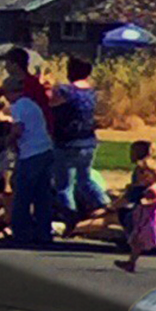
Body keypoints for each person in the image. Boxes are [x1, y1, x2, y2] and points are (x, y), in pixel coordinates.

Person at [51, 57, 108, 232]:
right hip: (88, 141)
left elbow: (50, 103)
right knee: (85, 180)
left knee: (64, 185)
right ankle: (105, 204)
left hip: (66, 142)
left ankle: (71, 218)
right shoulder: (92, 93)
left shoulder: (65, 91)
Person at [7, 59, 56, 246]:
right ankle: (44, 232)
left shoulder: (18, 106)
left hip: (31, 154)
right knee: (42, 195)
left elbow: (18, 130)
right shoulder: (33, 104)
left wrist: (7, 141)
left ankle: (21, 233)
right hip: (46, 149)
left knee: (23, 195)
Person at [116, 164, 156, 272]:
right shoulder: (147, 188)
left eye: (143, 173)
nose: (139, 176)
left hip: (154, 219)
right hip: (145, 218)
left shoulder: (154, 188)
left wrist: (146, 201)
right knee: (137, 241)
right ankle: (131, 262)